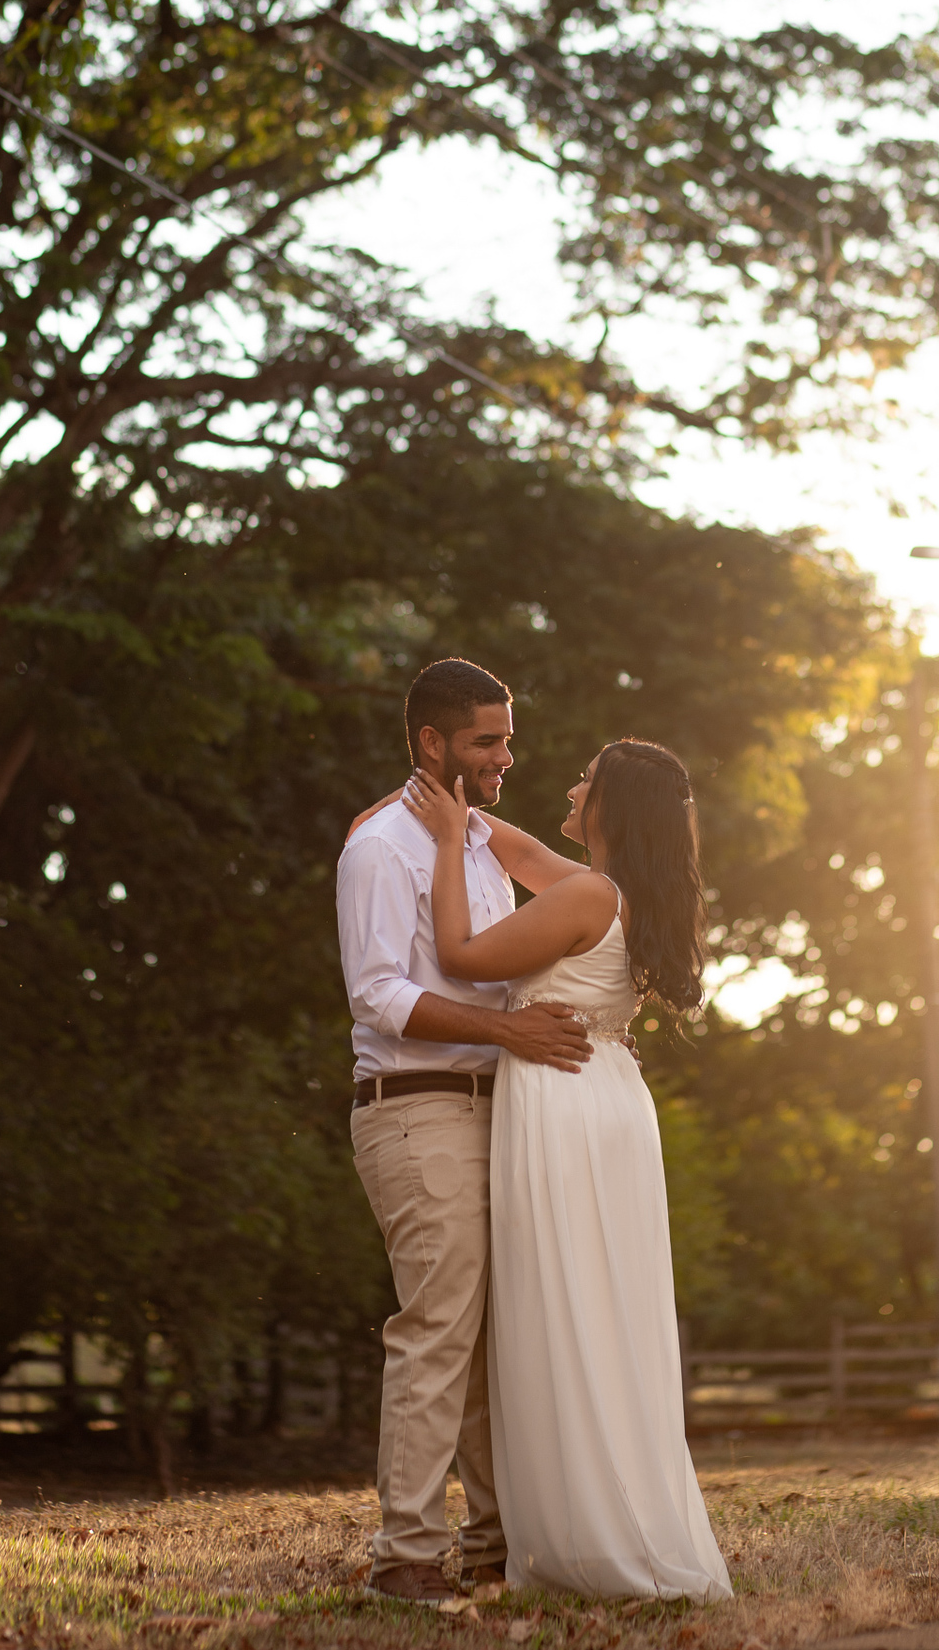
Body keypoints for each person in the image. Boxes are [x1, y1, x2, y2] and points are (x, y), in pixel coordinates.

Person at [402, 740, 732, 1603]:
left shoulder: (589, 894)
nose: (572, 785)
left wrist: (442, 845)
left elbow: (460, 958)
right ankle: (603, 1516)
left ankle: (589, 1532)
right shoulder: (610, 891)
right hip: (608, 1099)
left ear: (611, 810)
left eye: (588, 780)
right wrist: (456, 808)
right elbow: (517, 851)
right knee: (598, 1308)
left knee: (564, 1304)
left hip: (565, 1101)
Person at [336, 659, 616, 1606]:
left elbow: (527, 951)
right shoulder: (381, 847)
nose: (508, 755)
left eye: (507, 736)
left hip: (500, 1111)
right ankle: (405, 1555)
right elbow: (377, 994)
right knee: (438, 1328)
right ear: (432, 743)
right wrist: (508, 1030)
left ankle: (495, 1546)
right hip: (417, 1110)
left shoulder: (484, 844)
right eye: (487, 741)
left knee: (503, 1336)